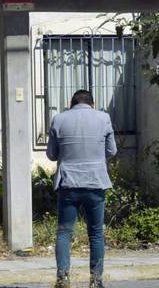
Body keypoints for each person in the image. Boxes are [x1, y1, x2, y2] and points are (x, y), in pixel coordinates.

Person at [46, 89, 118, 288]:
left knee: (64, 233)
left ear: (71, 104)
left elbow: (51, 154)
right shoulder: (104, 118)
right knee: (95, 233)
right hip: (95, 183)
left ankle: (62, 278)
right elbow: (112, 150)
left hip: (68, 184)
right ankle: (96, 280)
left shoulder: (59, 119)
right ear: (92, 104)